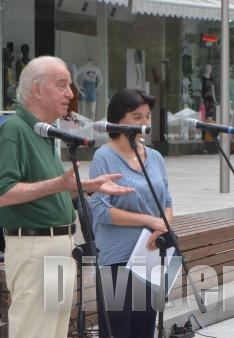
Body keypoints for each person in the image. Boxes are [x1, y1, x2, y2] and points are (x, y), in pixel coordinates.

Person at [0, 56, 134, 338]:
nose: (70, 93)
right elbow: (3, 194)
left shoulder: (44, 132)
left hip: (58, 246)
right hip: (34, 249)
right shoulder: (14, 130)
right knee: (35, 332)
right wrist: (58, 183)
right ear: (37, 90)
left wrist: (87, 185)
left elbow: (47, 187)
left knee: (54, 332)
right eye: (62, 85)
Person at [89, 88, 172, 338]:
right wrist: (148, 220)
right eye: (137, 117)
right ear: (118, 119)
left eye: (147, 117)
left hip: (151, 256)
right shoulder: (103, 156)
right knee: (118, 332)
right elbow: (102, 211)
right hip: (118, 259)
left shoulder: (155, 157)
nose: (145, 123)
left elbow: (167, 201)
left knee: (144, 330)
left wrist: (163, 225)